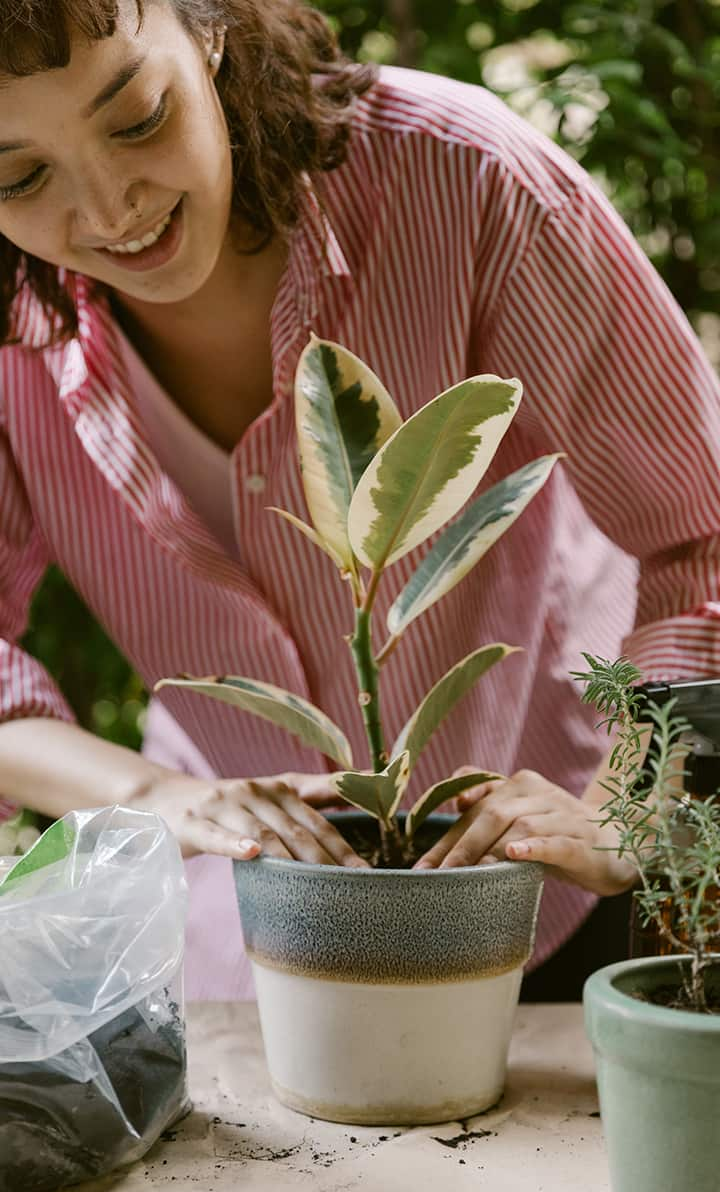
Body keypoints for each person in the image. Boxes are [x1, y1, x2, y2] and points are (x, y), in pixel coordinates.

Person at [0, 0, 718, 1001]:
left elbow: (702, 536)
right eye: (20, 175)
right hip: (254, 919)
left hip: (556, 887)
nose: (112, 207)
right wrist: (153, 793)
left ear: (207, 26)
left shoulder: (467, 182)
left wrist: (626, 808)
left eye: (138, 119)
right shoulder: (11, 329)